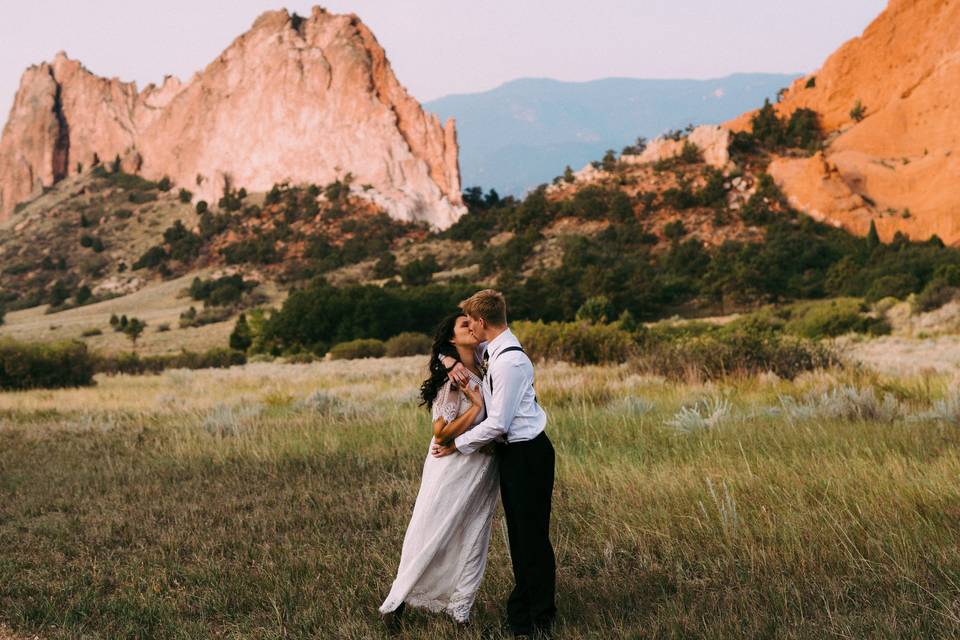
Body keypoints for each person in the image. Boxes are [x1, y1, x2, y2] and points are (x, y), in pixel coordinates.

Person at [433, 289, 557, 638]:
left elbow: (499, 423)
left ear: (482, 322)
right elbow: (449, 345)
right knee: (520, 536)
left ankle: (537, 618)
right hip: (513, 454)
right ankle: (526, 610)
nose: (470, 328)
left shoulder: (509, 362)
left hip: (528, 453)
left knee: (531, 537)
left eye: (471, 321)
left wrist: (458, 444)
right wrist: (448, 360)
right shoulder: (493, 349)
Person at [380, 312, 499, 629]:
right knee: (433, 532)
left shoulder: (484, 367)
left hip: (483, 467)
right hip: (451, 467)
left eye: (474, 322)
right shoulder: (454, 381)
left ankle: (461, 611)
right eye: (464, 325)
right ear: (451, 339)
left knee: (475, 536)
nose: (472, 327)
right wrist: (474, 407)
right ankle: (398, 602)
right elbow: (442, 433)